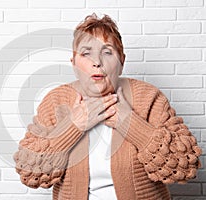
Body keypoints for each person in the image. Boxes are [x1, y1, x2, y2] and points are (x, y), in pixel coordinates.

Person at [13, 13, 202, 200]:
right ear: (74, 63)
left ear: (121, 61)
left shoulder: (148, 97)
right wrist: (73, 127)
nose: (97, 62)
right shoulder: (55, 101)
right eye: (86, 53)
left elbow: (185, 166)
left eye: (107, 52)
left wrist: (130, 123)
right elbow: (29, 173)